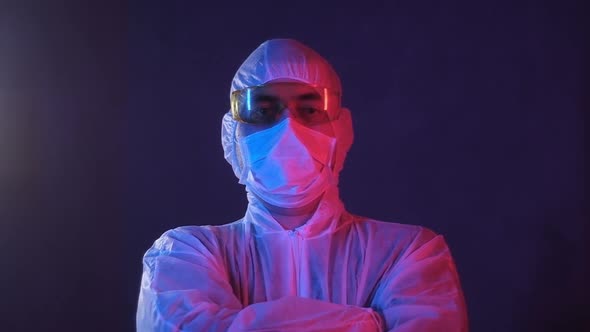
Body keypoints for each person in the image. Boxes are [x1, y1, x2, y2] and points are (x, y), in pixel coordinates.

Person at [136, 38, 468, 331]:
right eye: (263, 111)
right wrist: (369, 321)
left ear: (342, 131)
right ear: (232, 137)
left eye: (309, 110)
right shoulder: (183, 254)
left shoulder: (411, 254)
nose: (288, 130)